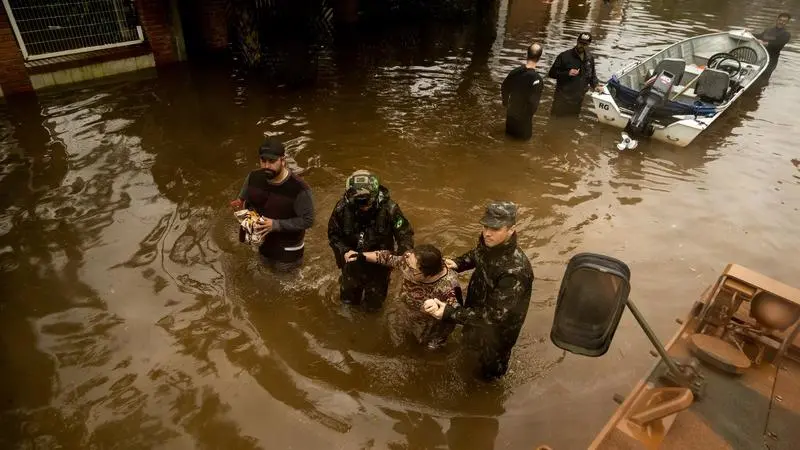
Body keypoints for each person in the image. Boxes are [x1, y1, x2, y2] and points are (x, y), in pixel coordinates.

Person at [423, 201, 533, 381]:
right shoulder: (489, 244)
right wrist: (459, 262)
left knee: (486, 379)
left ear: (511, 229)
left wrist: (448, 313)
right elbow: (478, 254)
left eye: (495, 229)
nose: (488, 233)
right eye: (486, 226)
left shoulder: (516, 272)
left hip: (496, 336)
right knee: (467, 353)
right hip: (473, 314)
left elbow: (494, 317)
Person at [328, 170, 414, 311]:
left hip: (379, 265)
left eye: (367, 201)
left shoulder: (390, 209)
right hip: (351, 263)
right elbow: (333, 235)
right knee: (348, 303)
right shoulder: (341, 209)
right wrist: (344, 251)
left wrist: (401, 258)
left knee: (373, 307)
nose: (364, 207)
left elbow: (405, 234)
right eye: (360, 203)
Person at [347, 244, 463, 349]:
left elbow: (457, 315)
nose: (405, 268)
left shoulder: (449, 287)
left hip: (431, 326)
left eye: (412, 269)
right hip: (407, 311)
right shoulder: (409, 261)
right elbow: (389, 258)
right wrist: (361, 256)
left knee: (428, 351)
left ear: (428, 274)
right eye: (407, 263)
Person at [230, 138, 314, 272]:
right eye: (263, 161)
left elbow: (308, 220)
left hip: (288, 250)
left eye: (272, 161)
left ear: (283, 160)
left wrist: (275, 225)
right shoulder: (253, 177)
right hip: (263, 244)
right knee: (261, 276)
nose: (266, 166)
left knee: (285, 287)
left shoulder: (300, 189)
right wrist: (240, 205)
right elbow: (243, 199)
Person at [548, 32, 603, 117]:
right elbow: (552, 73)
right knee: (555, 122)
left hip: (578, 100)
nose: (582, 45)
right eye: (580, 43)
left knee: (571, 124)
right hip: (562, 99)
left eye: (585, 44)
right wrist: (567, 73)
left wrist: (596, 85)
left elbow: (592, 76)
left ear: (588, 44)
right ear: (577, 41)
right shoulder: (564, 56)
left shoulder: (589, 58)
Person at [501, 43, 545, 140]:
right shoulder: (537, 80)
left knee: (508, 140)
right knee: (521, 148)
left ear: (527, 54)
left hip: (511, 117)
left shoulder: (515, 72)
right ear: (539, 58)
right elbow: (533, 104)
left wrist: (505, 103)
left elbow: (504, 87)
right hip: (523, 122)